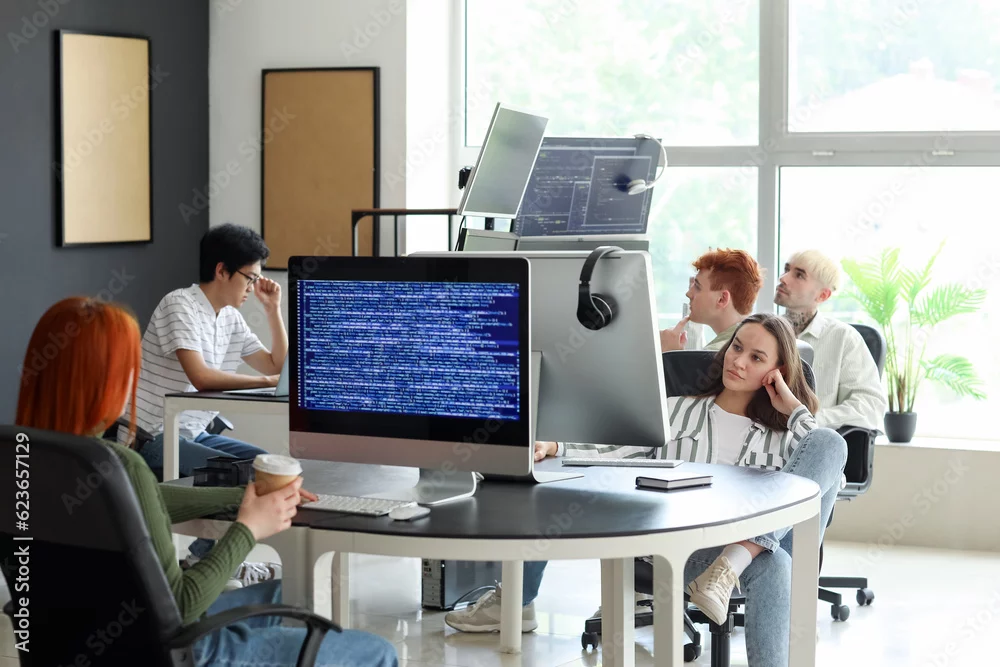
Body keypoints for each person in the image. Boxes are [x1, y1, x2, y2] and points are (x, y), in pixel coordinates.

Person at [15, 297, 398, 667]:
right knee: (375, 651)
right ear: (107, 381)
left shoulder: (25, 459)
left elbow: (144, 500)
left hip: (76, 642)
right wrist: (248, 528)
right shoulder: (121, 464)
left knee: (293, 592)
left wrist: (242, 496)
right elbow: (182, 605)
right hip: (169, 650)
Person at [447, 314, 847, 667]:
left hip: (764, 542)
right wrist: (558, 446)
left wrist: (793, 409)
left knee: (830, 443)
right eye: (737, 347)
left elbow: (827, 475)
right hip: (689, 547)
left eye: (756, 358)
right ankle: (734, 561)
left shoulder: (784, 433)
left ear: (777, 372)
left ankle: (739, 556)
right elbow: (613, 449)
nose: (738, 361)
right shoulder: (675, 410)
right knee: (775, 565)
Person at [126, 223, 286, 479]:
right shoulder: (179, 304)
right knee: (251, 475)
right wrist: (266, 382)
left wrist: (273, 310)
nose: (252, 287)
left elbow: (277, 366)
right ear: (221, 271)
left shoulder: (230, 317)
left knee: (268, 465)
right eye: (250, 278)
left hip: (192, 433)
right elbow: (201, 377)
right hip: (152, 436)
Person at [774, 249, 887, 431]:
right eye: (786, 270)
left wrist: (806, 420)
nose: (783, 278)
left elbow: (870, 406)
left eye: (799, 275)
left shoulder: (844, 338)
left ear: (823, 296)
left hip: (813, 442)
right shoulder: (764, 333)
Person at [659, 248, 765, 353]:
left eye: (697, 286)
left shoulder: (717, 354)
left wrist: (669, 354)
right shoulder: (751, 344)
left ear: (722, 299)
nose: (688, 294)